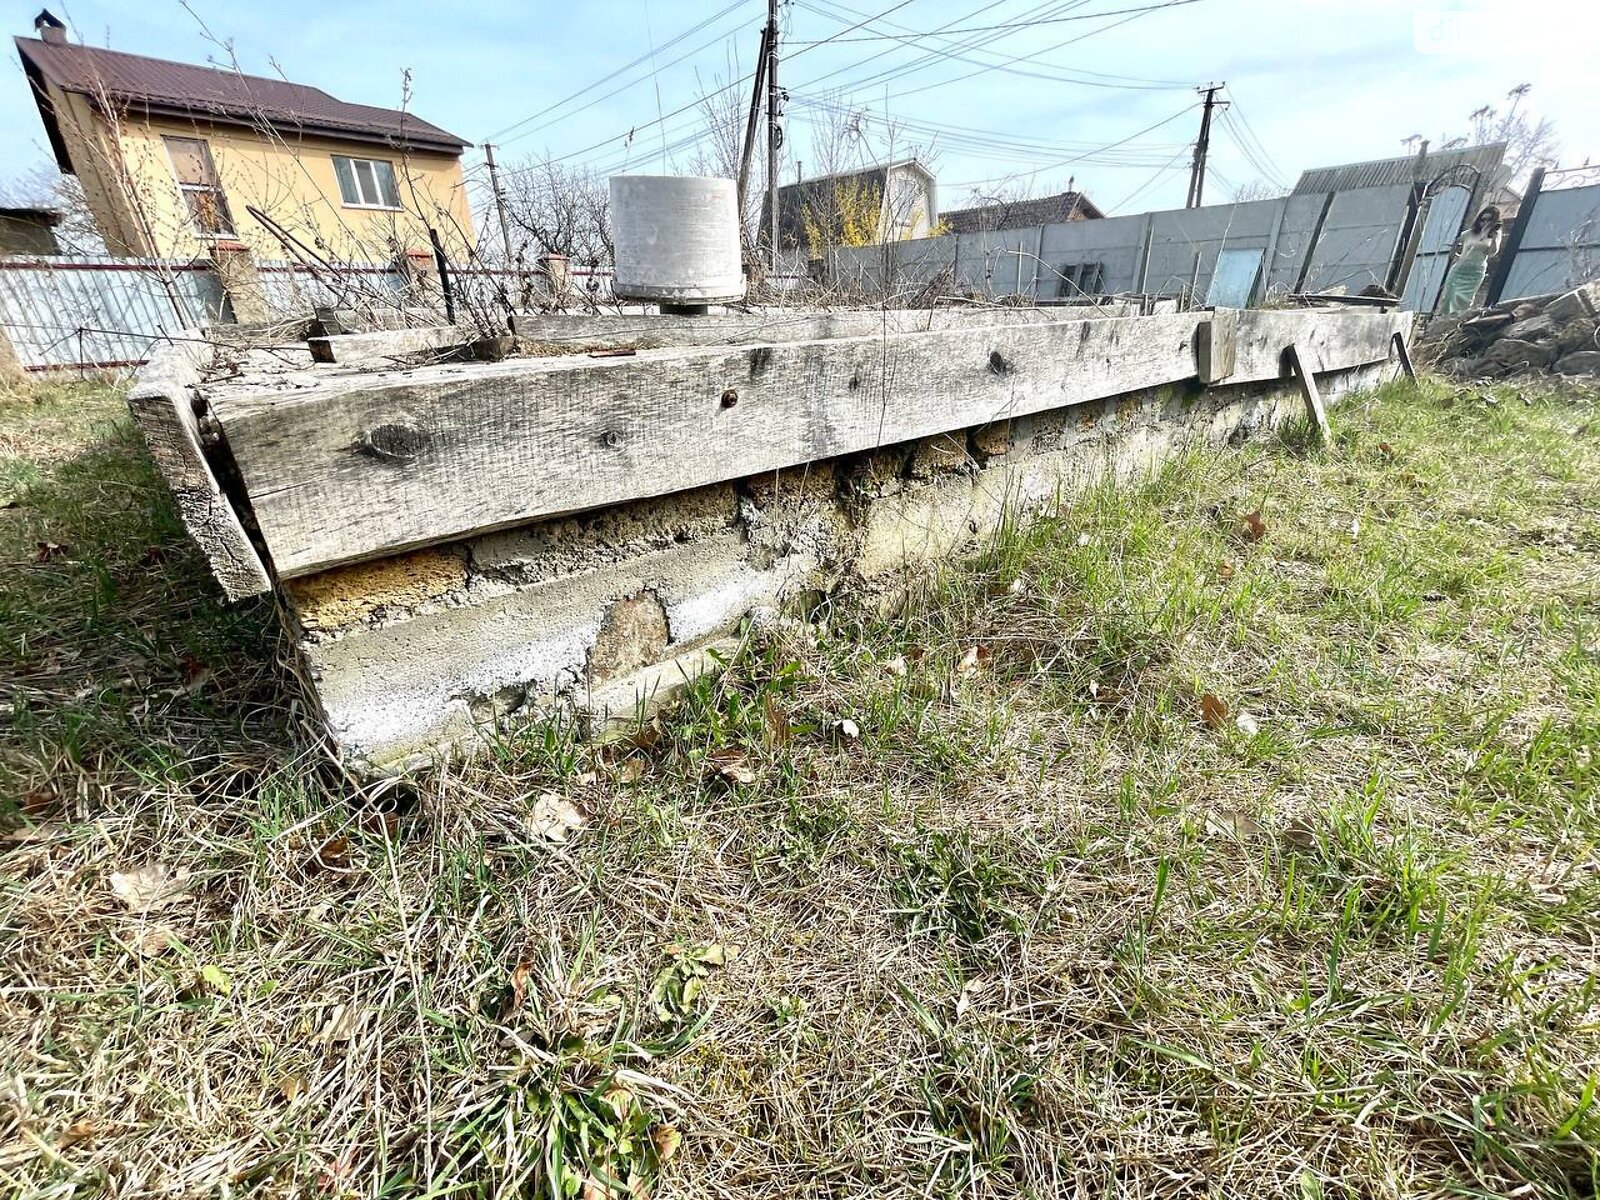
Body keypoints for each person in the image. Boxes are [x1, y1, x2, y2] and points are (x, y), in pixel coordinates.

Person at [1437, 205, 1503, 314]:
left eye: (1489, 220)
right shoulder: (1469, 233)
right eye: (1483, 219)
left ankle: (1456, 322)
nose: (1485, 222)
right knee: (1449, 295)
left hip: (1476, 271)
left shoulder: (1494, 235)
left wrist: (1494, 239)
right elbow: (1455, 244)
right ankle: (1442, 319)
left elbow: (1491, 253)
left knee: (1466, 300)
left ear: (1494, 221)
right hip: (1460, 269)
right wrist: (1456, 256)